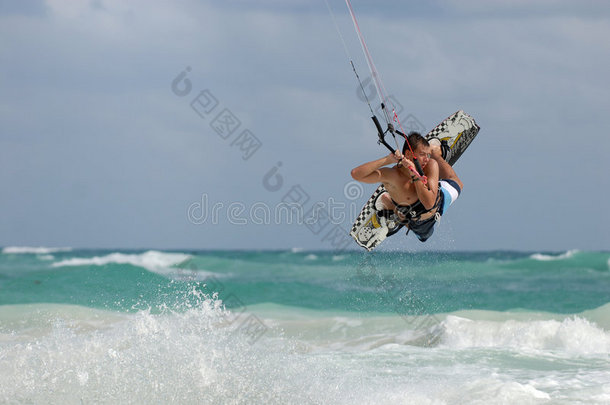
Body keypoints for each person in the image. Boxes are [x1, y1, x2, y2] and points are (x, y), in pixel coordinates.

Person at [350, 132, 463, 242]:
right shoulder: (393, 176)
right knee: (423, 237)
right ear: (409, 154)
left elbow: (430, 203)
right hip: (420, 222)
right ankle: (392, 207)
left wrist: (416, 172)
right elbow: (356, 174)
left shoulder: (430, 164)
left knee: (458, 183)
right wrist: (387, 160)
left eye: (428, 155)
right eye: (422, 154)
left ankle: (436, 153)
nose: (426, 159)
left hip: (440, 200)